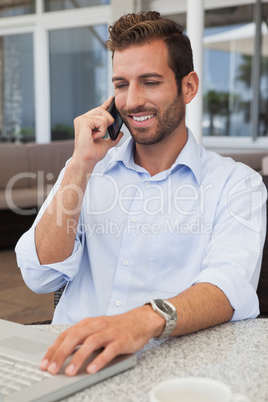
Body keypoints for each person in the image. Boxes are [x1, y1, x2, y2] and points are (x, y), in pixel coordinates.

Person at [16, 11, 266, 377]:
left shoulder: (237, 184)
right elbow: (40, 275)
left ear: (189, 86)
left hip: (169, 370)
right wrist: (80, 164)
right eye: (121, 84)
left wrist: (139, 322)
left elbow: (228, 288)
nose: (131, 101)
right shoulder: (87, 170)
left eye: (150, 82)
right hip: (70, 361)